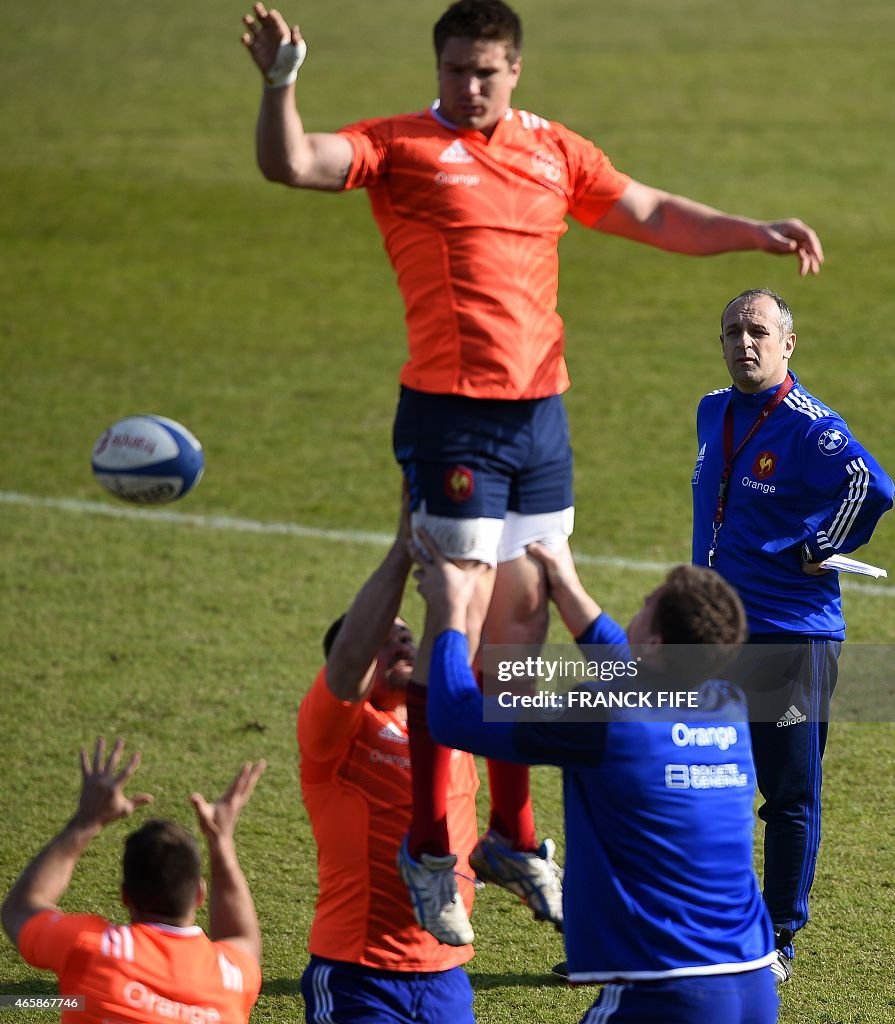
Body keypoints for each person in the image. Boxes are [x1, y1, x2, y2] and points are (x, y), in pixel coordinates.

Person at [240, 0, 824, 943]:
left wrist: (750, 230)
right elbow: (293, 162)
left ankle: (511, 836)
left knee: (517, 622)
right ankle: (431, 847)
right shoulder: (398, 147)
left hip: (540, 416)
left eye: (487, 71)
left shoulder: (553, 149)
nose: (470, 87)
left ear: (514, 70)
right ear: (437, 67)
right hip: (451, 414)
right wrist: (280, 84)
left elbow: (645, 212)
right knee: (456, 611)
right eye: (456, 70)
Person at [411, 529, 780, 1023]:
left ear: (653, 640)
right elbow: (643, 668)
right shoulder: (725, 705)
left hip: (668, 990)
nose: (641, 603)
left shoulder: (606, 719)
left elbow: (454, 717)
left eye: (648, 603)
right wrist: (567, 586)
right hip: (753, 982)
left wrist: (452, 613)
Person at [691, 287, 894, 983]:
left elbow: (871, 486)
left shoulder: (810, 426)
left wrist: (820, 543)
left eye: (755, 331)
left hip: (790, 638)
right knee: (701, 782)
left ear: (786, 344)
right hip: (712, 634)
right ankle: (706, 923)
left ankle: (777, 937)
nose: (742, 343)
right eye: (730, 332)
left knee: (787, 792)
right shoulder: (711, 411)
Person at [296, 495, 481, 1021]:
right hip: (360, 973)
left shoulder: (447, 724)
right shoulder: (337, 731)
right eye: (386, 637)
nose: (401, 640)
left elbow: (465, 643)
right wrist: (404, 551)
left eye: (407, 634)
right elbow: (351, 657)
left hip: (446, 971)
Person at [1, 737, 265, 1024]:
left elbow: (20, 908)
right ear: (200, 894)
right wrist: (221, 841)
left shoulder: (91, 948)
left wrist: (86, 821)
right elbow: (243, 939)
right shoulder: (233, 976)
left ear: (125, 896)